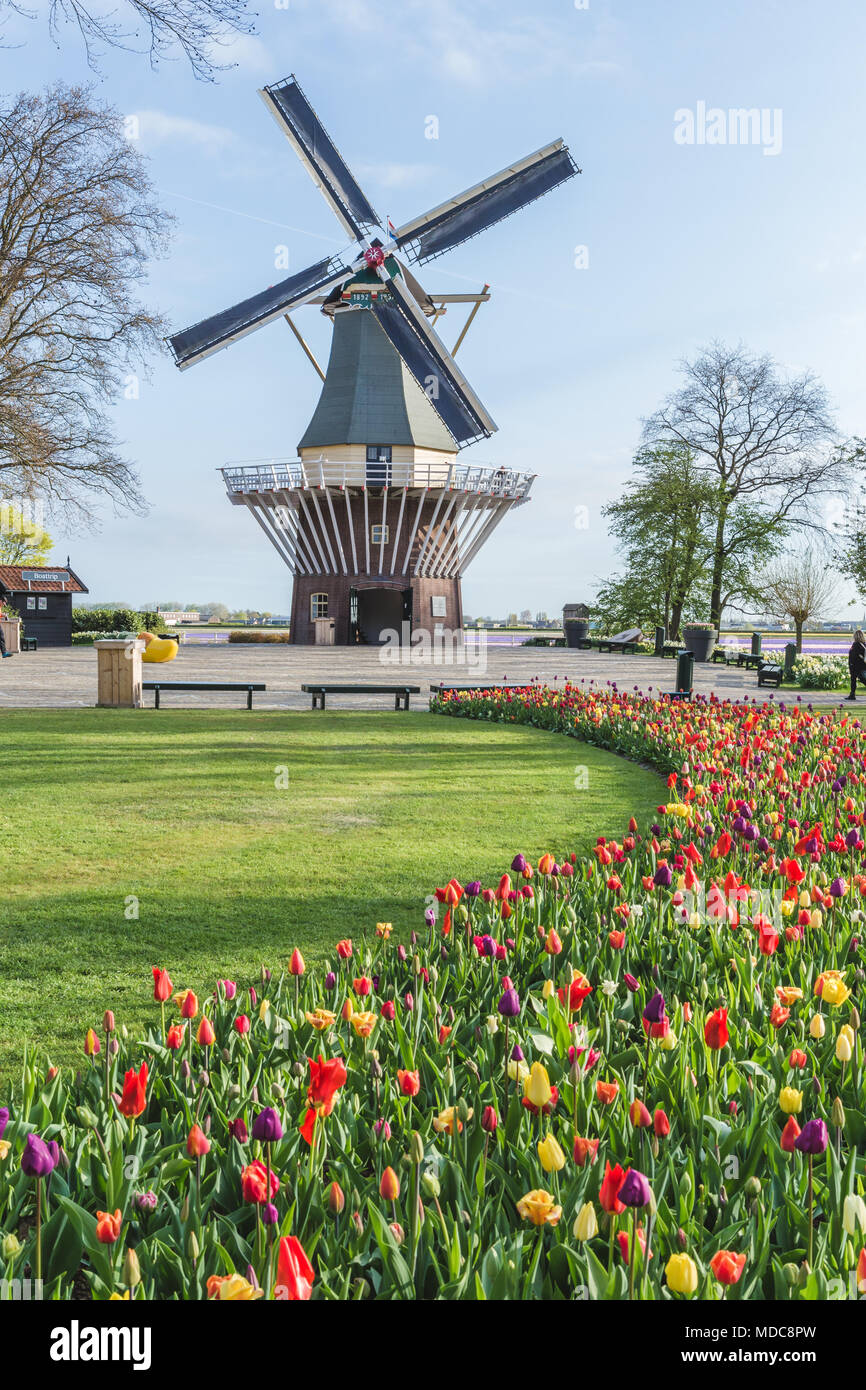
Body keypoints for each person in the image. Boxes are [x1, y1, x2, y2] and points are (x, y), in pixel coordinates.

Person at [846, 629, 866, 700]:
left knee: (854, 680)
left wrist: (851, 665)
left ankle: (852, 695)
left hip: (856, 666)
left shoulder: (855, 644)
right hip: (863, 666)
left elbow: (853, 656)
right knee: (863, 680)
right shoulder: (864, 644)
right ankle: (852, 694)